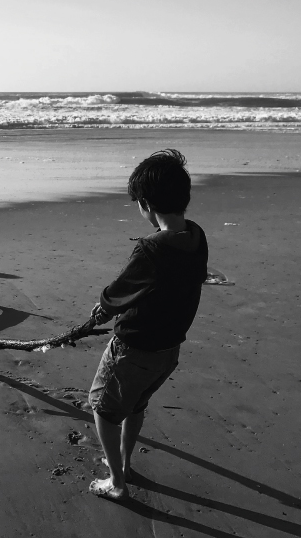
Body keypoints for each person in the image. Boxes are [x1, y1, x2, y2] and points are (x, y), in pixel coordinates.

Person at [87, 149, 208, 500]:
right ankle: (124, 463)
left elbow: (121, 290)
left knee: (104, 410)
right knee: (136, 405)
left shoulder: (151, 249)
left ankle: (117, 482)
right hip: (168, 350)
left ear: (145, 204)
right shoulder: (196, 236)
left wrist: (103, 308)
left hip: (133, 349)